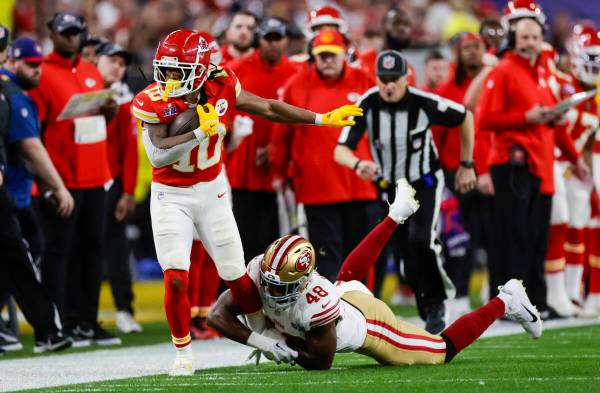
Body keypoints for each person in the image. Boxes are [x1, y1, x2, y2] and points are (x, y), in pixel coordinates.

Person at [130, 29, 363, 376]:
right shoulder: (153, 99)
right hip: (171, 194)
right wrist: (199, 132)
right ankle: (183, 352)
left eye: (178, 70)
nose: (168, 78)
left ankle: (267, 337)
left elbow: (268, 107)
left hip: (212, 189)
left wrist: (320, 118)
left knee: (236, 274)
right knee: (176, 277)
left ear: (200, 69)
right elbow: (159, 155)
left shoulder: (222, 83)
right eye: (165, 69)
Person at [207, 180, 542, 369]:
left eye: (281, 287)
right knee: (348, 277)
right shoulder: (260, 271)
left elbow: (319, 362)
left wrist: (280, 342)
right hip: (343, 295)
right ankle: (395, 215)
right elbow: (218, 315)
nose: (268, 291)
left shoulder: (316, 304)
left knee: (440, 351)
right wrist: (261, 338)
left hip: (370, 327)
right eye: (268, 282)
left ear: (304, 281)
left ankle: (506, 299)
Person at [335, 50, 477, 334]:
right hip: (389, 188)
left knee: (421, 241)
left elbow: (465, 116)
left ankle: (437, 303)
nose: (388, 86)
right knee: (405, 262)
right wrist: (358, 163)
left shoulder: (424, 103)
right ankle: (428, 305)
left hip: (424, 183)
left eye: (394, 79)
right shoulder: (367, 103)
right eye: (383, 79)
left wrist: (466, 164)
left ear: (406, 79)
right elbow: (340, 149)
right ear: (376, 79)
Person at [476, 18, 588, 316]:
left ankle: (535, 302)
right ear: (513, 38)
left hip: (539, 167)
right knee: (512, 238)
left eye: (535, 37)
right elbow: (485, 119)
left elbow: (552, 123)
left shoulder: (541, 74)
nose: (530, 42)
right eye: (524, 37)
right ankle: (505, 306)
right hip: (511, 165)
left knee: (536, 240)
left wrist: (576, 160)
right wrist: (527, 117)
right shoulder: (502, 71)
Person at [28, 12, 120, 346]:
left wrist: (108, 110)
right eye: (66, 32)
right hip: (63, 179)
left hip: (95, 177)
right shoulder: (43, 75)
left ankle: (86, 320)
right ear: (52, 33)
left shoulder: (90, 71)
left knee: (93, 251)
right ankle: (60, 322)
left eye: (77, 32)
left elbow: (95, 125)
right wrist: (48, 183)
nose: (72, 38)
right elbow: (34, 134)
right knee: (59, 252)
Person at [270, 29, 378, 284]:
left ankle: (365, 315)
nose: (327, 60)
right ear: (313, 56)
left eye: (333, 55)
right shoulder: (296, 86)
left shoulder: (365, 82)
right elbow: (280, 133)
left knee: (362, 257)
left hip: (360, 185)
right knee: (327, 258)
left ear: (344, 54)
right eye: (322, 55)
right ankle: (331, 314)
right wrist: (279, 173)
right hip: (317, 188)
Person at [0, 25, 72, 355]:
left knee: (15, 255)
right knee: (21, 254)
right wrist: (57, 186)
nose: (38, 71)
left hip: (14, 191)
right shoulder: (14, 96)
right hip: (12, 195)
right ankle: (47, 328)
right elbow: (31, 147)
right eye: (31, 65)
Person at [226, 18, 299, 260]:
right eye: (268, 38)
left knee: (277, 244)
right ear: (260, 40)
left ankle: (274, 295)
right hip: (241, 170)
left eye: (278, 39)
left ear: (286, 40)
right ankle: (237, 295)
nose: (273, 44)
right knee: (240, 240)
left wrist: (277, 150)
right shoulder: (237, 69)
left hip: (279, 175)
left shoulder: (296, 74)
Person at [542, 24, 600, 317]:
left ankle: (573, 294)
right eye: (591, 57)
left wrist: (585, 161)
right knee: (558, 226)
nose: (595, 65)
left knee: (577, 228)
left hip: (577, 169)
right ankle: (555, 293)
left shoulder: (595, 95)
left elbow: (590, 137)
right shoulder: (562, 84)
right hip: (555, 162)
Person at [434, 33, 487, 317]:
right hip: (455, 173)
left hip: (488, 170)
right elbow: (437, 136)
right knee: (456, 240)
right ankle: (458, 294)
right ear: (458, 52)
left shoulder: (492, 83)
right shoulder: (445, 90)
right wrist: (444, 174)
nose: (472, 53)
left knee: (483, 236)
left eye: (476, 47)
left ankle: (487, 292)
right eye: (466, 48)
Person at [94, 42, 142, 333]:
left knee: (116, 248)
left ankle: (124, 309)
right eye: (111, 61)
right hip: (82, 181)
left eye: (121, 63)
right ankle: (72, 310)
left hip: (110, 184)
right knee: (80, 250)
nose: (118, 67)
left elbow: (130, 150)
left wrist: (127, 191)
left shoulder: (125, 98)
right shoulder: (83, 91)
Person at [355, 7, 416, 85]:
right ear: (383, 27)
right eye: (396, 23)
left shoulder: (409, 70)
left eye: (406, 24)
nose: (402, 28)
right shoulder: (362, 63)